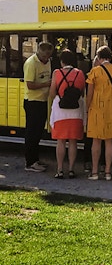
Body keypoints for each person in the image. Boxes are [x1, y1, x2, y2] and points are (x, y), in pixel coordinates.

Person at [86, 46, 112, 181]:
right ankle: (108, 172)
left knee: (96, 141)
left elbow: (90, 93)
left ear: (98, 57)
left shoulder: (94, 71)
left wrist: (87, 108)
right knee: (109, 142)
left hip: (97, 109)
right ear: (110, 57)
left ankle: (94, 172)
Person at [49, 49, 86, 178]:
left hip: (60, 111)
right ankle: (71, 169)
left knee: (60, 141)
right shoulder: (80, 74)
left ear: (61, 61)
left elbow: (52, 93)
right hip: (75, 111)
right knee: (73, 141)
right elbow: (81, 93)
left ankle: (59, 169)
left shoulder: (56, 73)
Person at [23, 41, 54, 172]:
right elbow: (30, 84)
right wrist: (46, 84)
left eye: (48, 57)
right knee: (32, 133)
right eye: (44, 57)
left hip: (43, 101)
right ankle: (30, 163)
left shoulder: (48, 61)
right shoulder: (31, 63)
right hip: (32, 101)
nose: (46, 59)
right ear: (39, 52)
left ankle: (35, 159)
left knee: (38, 133)